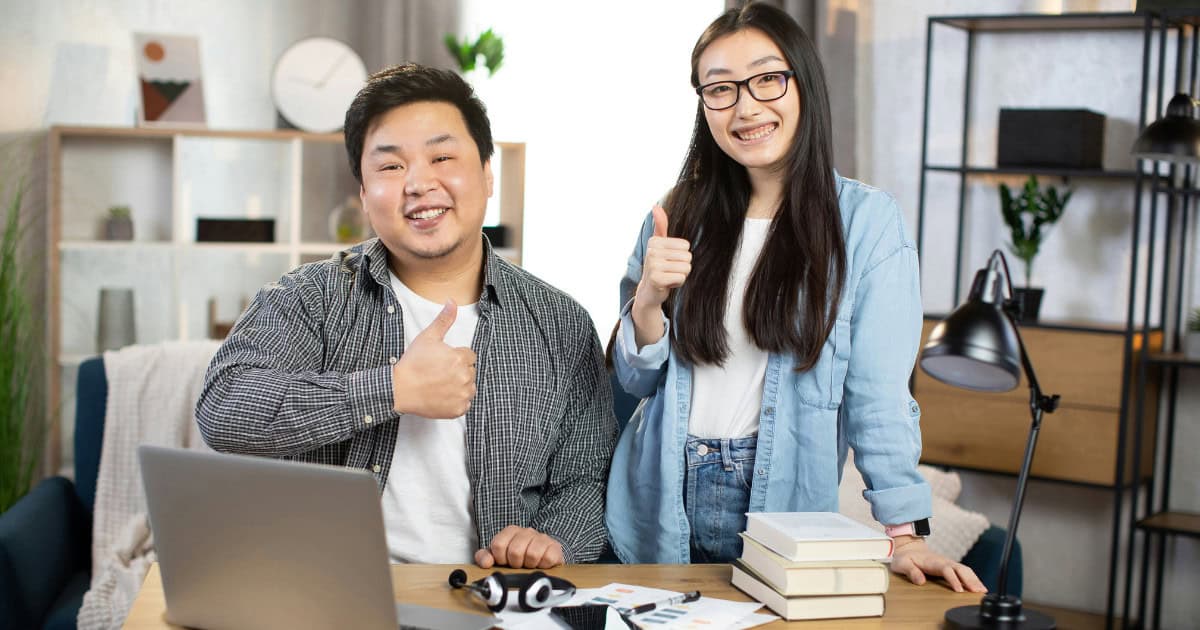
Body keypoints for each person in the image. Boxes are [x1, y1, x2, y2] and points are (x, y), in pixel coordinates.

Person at [605, 3, 985, 593]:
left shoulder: (865, 223)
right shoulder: (678, 210)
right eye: (721, 90)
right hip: (657, 497)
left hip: (782, 508)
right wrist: (649, 300)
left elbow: (879, 397)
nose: (746, 107)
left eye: (766, 78)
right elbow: (632, 382)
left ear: (803, 81)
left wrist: (903, 534)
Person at [197, 63, 616, 569]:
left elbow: (586, 476)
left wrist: (553, 542)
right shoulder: (310, 298)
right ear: (364, 196)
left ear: (487, 174)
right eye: (391, 167)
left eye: (442, 156)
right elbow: (223, 409)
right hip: (333, 593)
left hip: (493, 599)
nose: (419, 183)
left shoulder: (560, 323)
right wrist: (393, 389)